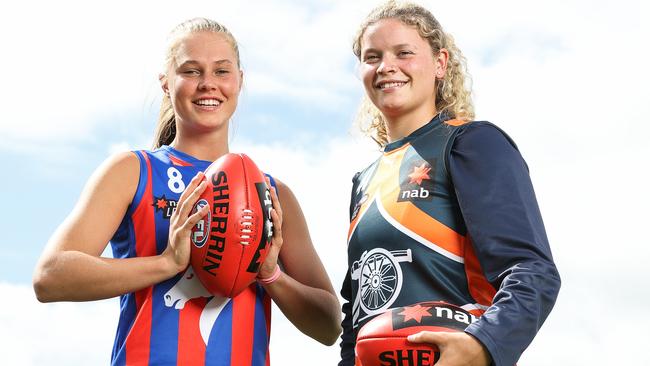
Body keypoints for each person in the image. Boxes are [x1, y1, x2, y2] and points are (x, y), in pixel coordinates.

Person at [32, 17, 341, 365]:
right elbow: (50, 276)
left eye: (222, 71)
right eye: (191, 71)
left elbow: (329, 326)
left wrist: (270, 274)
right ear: (166, 83)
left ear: (240, 80)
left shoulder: (272, 193)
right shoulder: (133, 171)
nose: (208, 84)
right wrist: (167, 263)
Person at [339, 2, 561, 366]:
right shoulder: (363, 180)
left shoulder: (471, 143)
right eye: (372, 56)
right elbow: (357, 314)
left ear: (440, 63)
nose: (386, 67)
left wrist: (482, 345)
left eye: (404, 53)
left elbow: (532, 272)